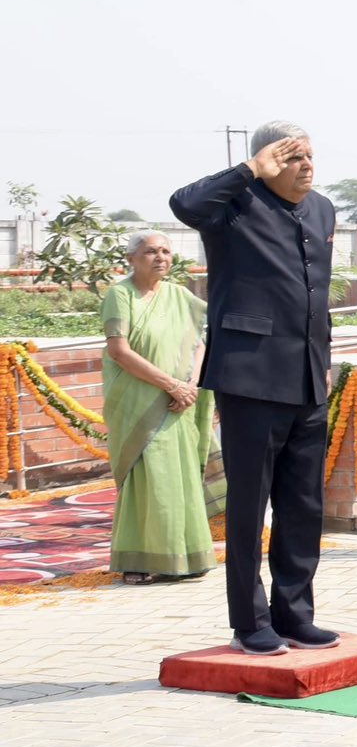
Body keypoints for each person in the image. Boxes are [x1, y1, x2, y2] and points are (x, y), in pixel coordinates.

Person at [169, 122, 339, 656]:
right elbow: (183, 204)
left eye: (310, 155)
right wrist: (249, 170)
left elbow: (316, 293)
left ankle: (296, 615)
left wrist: (325, 361)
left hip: (310, 374)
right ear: (267, 160)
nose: (306, 165)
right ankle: (251, 622)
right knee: (249, 506)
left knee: (304, 504)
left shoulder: (323, 210)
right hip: (250, 376)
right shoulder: (232, 205)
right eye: (292, 157)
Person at [100, 231, 220, 583]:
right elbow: (119, 351)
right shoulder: (120, 295)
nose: (160, 257)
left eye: (166, 251)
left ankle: (185, 557)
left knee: (179, 477)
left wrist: (190, 385)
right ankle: (139, 559)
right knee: (147, 478)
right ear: (131, 259)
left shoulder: (180, 296)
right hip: (139, 401)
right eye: (150, 251)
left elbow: (200, 342)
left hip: (179, 402)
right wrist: (170, 385)